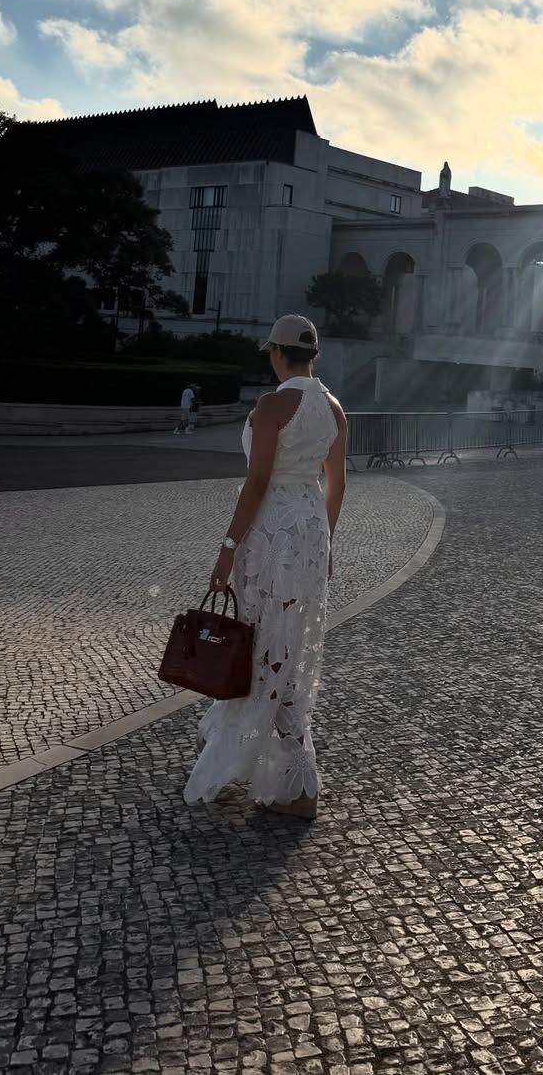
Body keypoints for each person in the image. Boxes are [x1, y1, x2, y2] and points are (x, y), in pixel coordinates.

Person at [184, 315, 348, 820]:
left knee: (259, 643)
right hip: (310, 532)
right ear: (313, 355)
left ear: (277, 353)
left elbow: (257, 483)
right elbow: (337, 483)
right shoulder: (334, 409)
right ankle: (287, 772)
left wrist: (227, 547)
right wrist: (324, 543)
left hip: (271, 534)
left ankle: (283, 778)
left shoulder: (273, 406)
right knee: (287, 646)